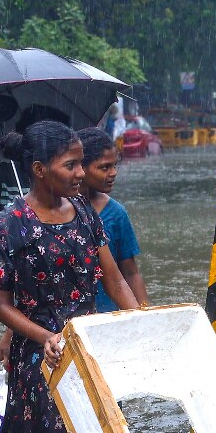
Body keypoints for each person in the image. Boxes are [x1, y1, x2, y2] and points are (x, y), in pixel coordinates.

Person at [0, 121, 140, 433]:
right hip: (42, 352)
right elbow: (2, 306)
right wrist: (45, 337)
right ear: (39, 170)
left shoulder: (86, 214)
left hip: (88, 346)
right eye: (71, 166)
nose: (81, 174)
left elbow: (116, 280)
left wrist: (140, 321)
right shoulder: (7, 228)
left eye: (82, 164)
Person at [76, 127, 149, 311]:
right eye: (104, 167)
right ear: (80, 168)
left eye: (114, 165)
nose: (114, 172)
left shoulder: (116, 214)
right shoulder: (54, 213)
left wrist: (145, 313)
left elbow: (131, 273)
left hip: (109, 316)